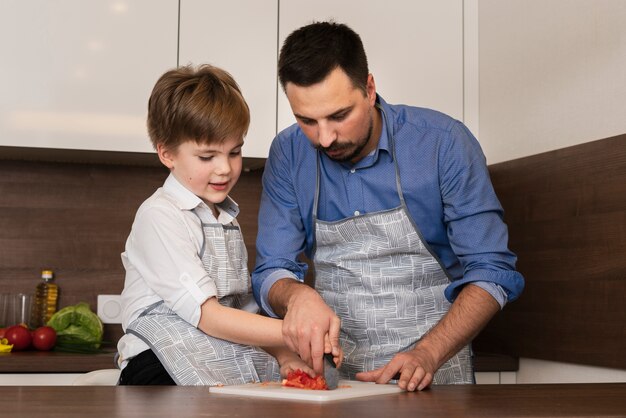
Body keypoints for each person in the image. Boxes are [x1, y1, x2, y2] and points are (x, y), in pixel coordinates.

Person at [251, 21, 525, 392]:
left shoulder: (443, 143)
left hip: (438, 371)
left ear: (369, 89)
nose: (324, 137)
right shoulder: (287, 153)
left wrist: (428, 353)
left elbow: (492, 271)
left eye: (339, 115)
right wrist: (297, 295)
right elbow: (271, 270)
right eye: (307, 121)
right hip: (335, 380)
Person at [116, 64, 314, 385]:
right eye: (207, 157)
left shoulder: (225, 218)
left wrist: (285, 356)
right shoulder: (160, 215)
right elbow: (208, 316)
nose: (225, 168)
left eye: (234, 152)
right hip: (158, 365)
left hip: (213, 362)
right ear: (167, 153)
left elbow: (244, 313)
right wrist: (300, 330)